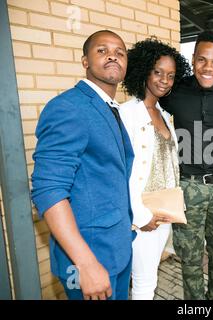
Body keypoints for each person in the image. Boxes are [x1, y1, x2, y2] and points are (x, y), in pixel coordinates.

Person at [31, 30, 134, 300]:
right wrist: (86, 263)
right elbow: (48, 189)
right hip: (90, 260)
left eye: (120, 52)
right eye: (102, 50)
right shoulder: (69, 107)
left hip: (117, 251)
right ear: (85, 62)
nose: (113, 55)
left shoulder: (108, 107)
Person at [159, 30, 213, 300]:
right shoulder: (173, 92)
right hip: (187, 187)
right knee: (189, 256)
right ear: (192, 59)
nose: (208, 67)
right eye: (202, 60)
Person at [119, 38, 191, 300]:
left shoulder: (163, 113)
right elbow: (121, 171)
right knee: (144, 284)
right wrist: (139, 216)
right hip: (143, 217)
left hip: (163, 214)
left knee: (150, 278)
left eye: (171, 75)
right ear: (144, 71)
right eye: (158, 72)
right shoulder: (126, 114)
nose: (164, 80)